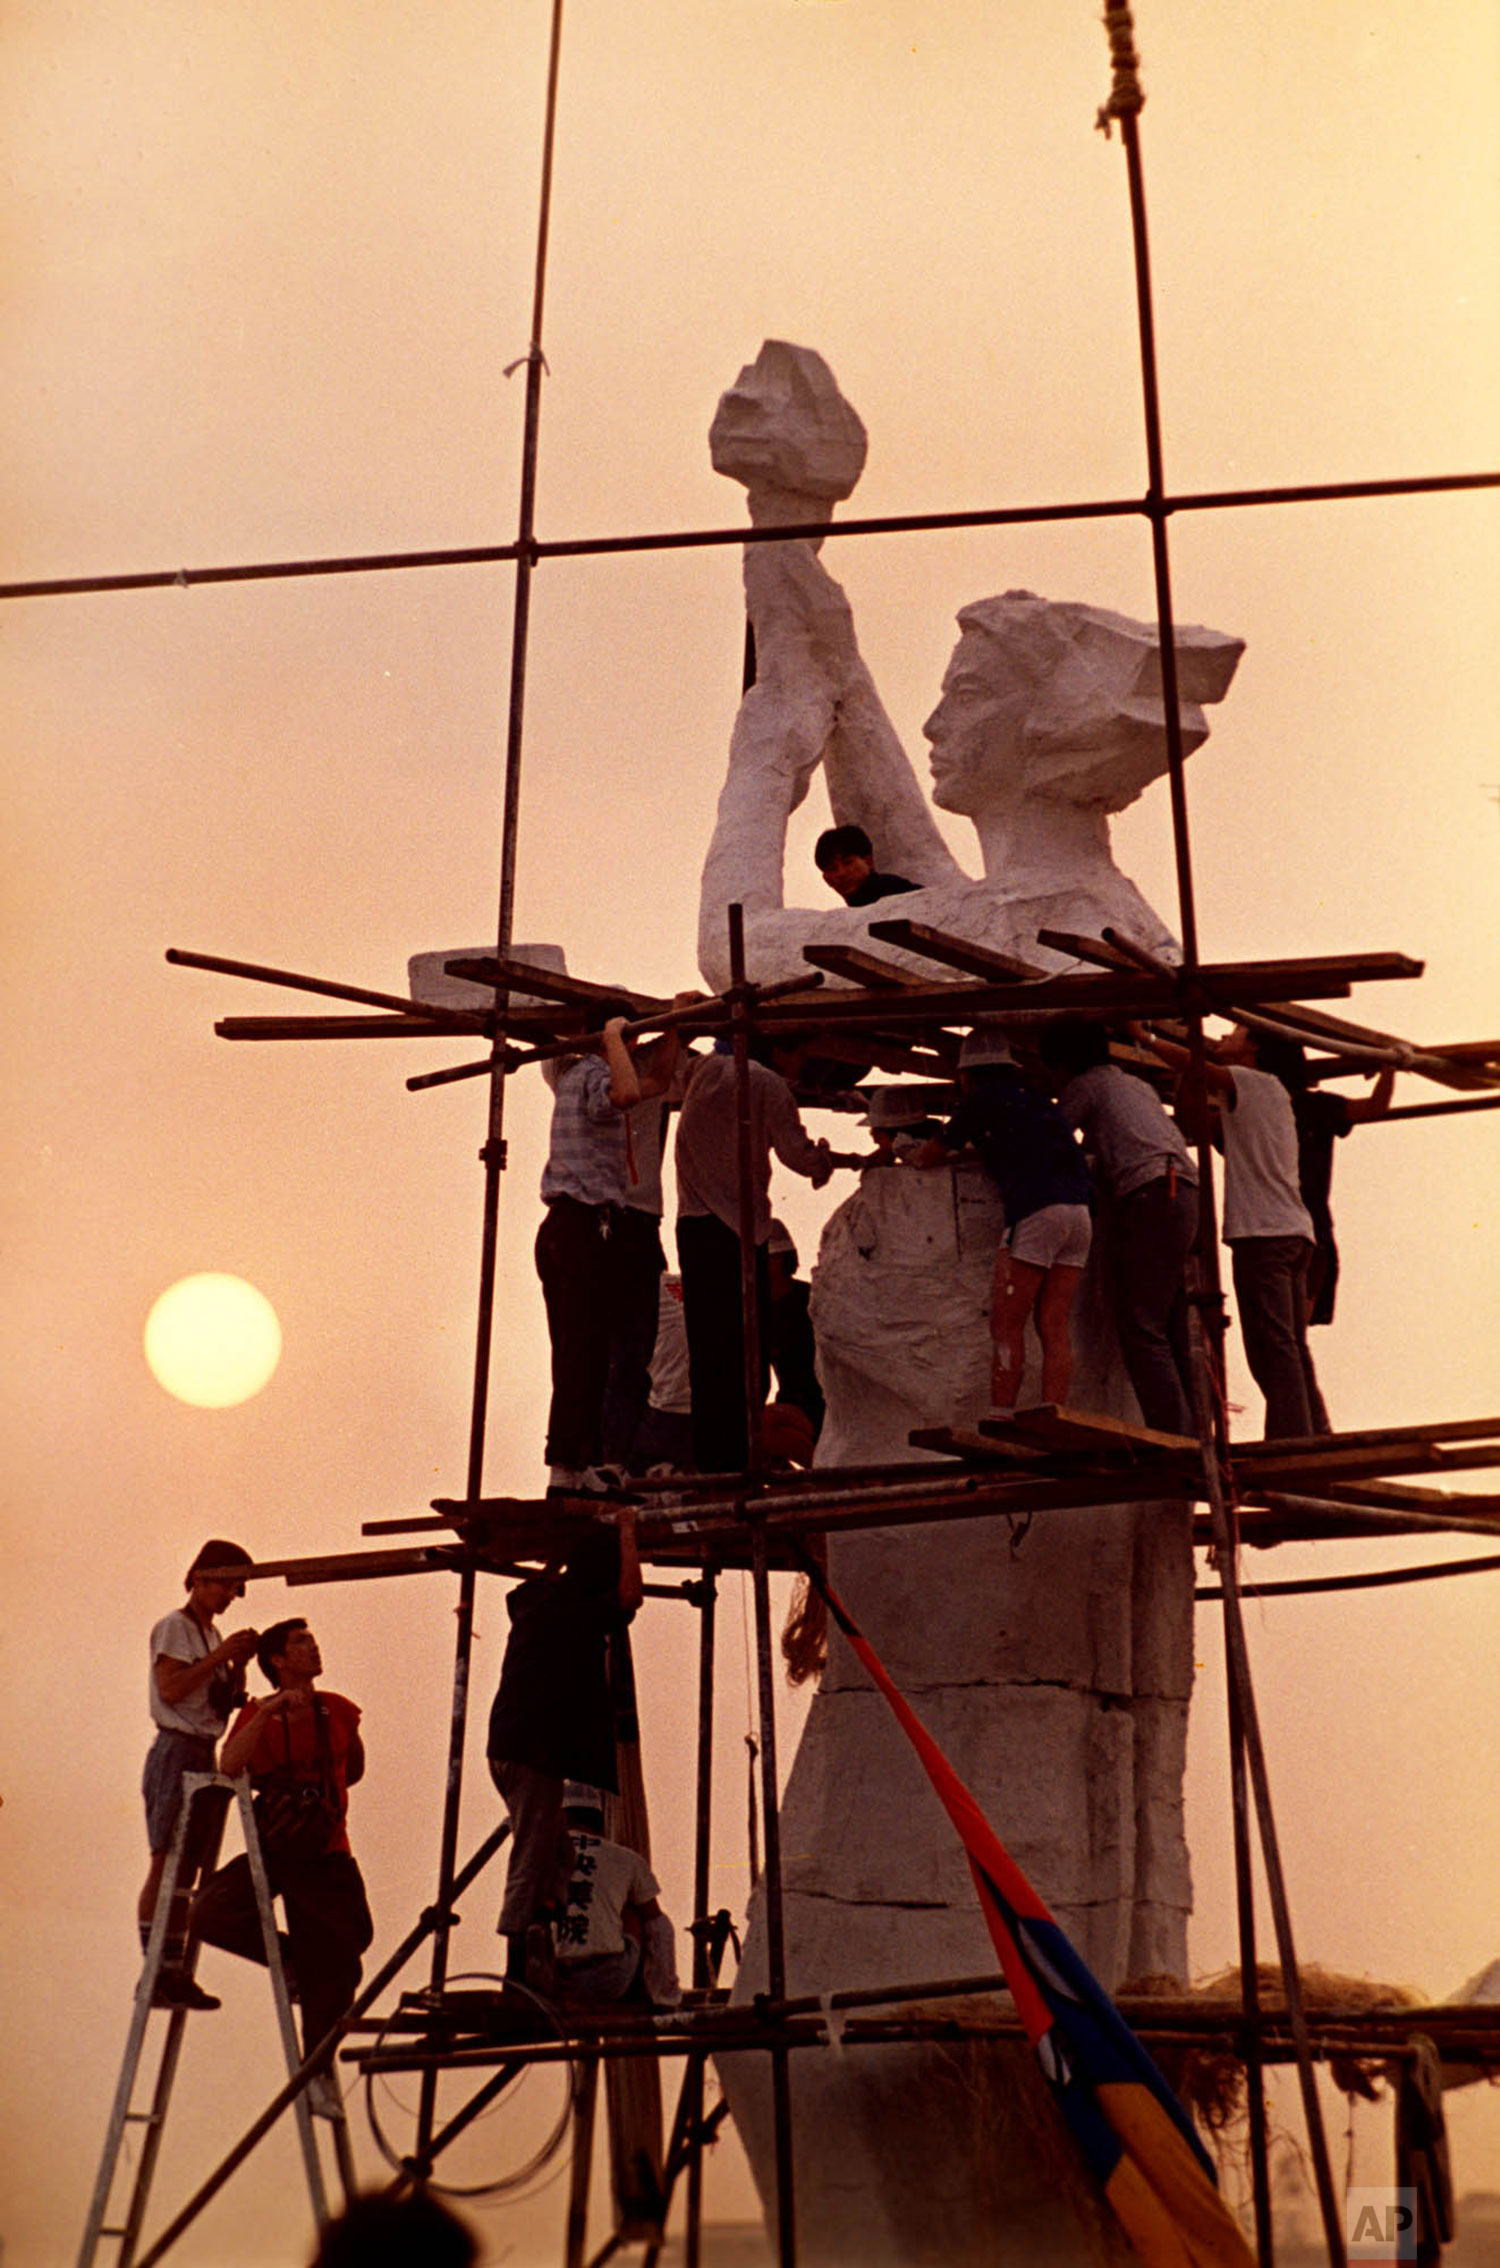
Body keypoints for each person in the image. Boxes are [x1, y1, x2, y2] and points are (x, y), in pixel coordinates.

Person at [1133, 1020, 1324, 1440]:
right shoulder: (1265, 1093)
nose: (1225, 1036)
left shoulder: (1255, 1081)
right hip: (1287, 1231)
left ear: (1254, 1045)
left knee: (1273, 1347)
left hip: (1266, 1234)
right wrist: (1187, 1069)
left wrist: (1147, 1038)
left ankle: (1293, 1440)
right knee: (1288, 1346)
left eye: (1236, 1031)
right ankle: (1313, 1435)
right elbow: (1193, 1124)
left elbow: (1204, 1067)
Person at [194, 1619, 373, 2057]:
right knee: (208, 1912)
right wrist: (269, 1711)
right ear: (277, 1660)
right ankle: (294, 1963)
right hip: (278, 1850)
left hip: (328, 1854)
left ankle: (318, 2063)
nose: (313, 1647)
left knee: (346, 1950)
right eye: (301, 1642)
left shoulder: (339, 1710)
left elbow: (353, 1770)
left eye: (312, 1639)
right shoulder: (260, 1715)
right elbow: (230, 1765)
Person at [674, 1036, 845, 1473]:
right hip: (736, 1226)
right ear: (779, 1050)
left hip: (693, 1225)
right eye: (799, 1052)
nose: (801, 1062)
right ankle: (736, 1460)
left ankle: (714, 1461)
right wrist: (825, 1160)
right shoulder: (766, 1082)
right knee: (742, 1351)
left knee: (709, 1349)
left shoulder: (701, 1071)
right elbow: (796, 1153)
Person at [486, 1515, 643, 1988]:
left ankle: (540, 1931)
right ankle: (517, 1962)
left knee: (558, 1854)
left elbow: (542, 1584)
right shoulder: (576, 1613)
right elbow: (629, 1597)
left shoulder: (537, 1602)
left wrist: (570, 1548)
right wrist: (629, 1533)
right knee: (533, 1854)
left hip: (517, 1747)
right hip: (533, 1752)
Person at [911, 1027, 1093, 1412]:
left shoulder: (980, 1101)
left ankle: (1002, 1413)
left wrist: (907, 1150)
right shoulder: (1036, 1099)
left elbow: (928, 1156)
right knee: (1054, 1323)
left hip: (1037, 1213)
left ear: (966, 1074)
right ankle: (1052, 1411)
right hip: (1080, 1216)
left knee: (1007, 1323)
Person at [535, 1007, 676, 1496]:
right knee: (579, 1354)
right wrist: (615, 1038)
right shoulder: (585, 1071)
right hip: (579, 1225)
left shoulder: (592, 1069)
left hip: (583, 1227)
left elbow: (656, 1079)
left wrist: (677, 1026)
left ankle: (581, 1462)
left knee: (591, 1353)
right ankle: (566, 1465)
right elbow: (629, 1092)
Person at [1039, 1018, 1200, 1437]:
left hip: (1151, 1194)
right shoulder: (1134, 1085)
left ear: (1062, 1064)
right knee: (1173, 1323)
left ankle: (1173, 1437)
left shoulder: (1085, 1085)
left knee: (1141, 1324)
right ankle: (1198, 1435)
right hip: (1184, 1191)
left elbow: (1049, 1140)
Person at [139, 1537, 258, 2010]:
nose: (232, 1596)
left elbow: (218, 1701)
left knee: (187, 1866)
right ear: (202, 1580)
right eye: (228, 1586)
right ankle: (155, 1970)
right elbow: (171, 1690)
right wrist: (219, 1656)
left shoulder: (208, 1636)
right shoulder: (176, 1628)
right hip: (177, 1750)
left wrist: (236, 1665)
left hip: (203, 1747)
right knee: (166, 1859)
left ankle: (172, 1970)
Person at [553, 1785, 682, 2007]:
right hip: (608, 1981)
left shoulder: (541, 1855)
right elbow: (659, 1927)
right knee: (639, 1910)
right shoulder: (626, 1858)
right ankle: (654, 1993)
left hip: (554, 1982)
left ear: (562, 1817)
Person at [813, 823, 918, 907]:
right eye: (832, 868)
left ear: (868, 862)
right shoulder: (856, 907)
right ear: (827, 880)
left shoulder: (892, 889)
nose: (841, 873)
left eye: (848, 862)